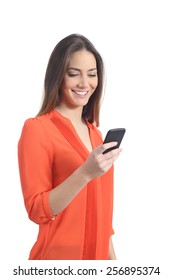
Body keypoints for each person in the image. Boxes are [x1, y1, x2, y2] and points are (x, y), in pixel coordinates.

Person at [18, 34, 122, 260]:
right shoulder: (37, 129)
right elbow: (37, 210)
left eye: (92, 74)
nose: (85, 83)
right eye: (74, 74)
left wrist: (116, 268)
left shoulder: (96, 135)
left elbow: (104, 222)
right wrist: (85, 173)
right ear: (58, 76)